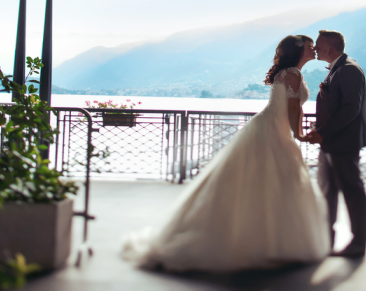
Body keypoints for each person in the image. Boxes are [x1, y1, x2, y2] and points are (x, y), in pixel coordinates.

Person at [122, 35, 330, 272]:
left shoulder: (289, 73)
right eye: (310, 46)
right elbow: (293, 108)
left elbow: (294, 107)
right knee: (272, 181)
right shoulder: (292, 74)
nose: (314, 49)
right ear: (298, 50)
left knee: (260, 181)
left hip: (270, 127)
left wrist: (297, 132)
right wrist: (300, 135)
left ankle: (263, 238)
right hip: (273, 131)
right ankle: (267, 240)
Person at [301, 30, 366, 258]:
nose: (315, 50)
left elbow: (350, 109)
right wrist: (320, 131)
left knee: (352, 191)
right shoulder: (339, 67)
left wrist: (323, 133)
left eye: (319, 47)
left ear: (331, 49)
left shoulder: (349, 69)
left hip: (343, 142)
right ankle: (326, 239)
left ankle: (359, 243)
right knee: (328, 190)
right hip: (332, 141)